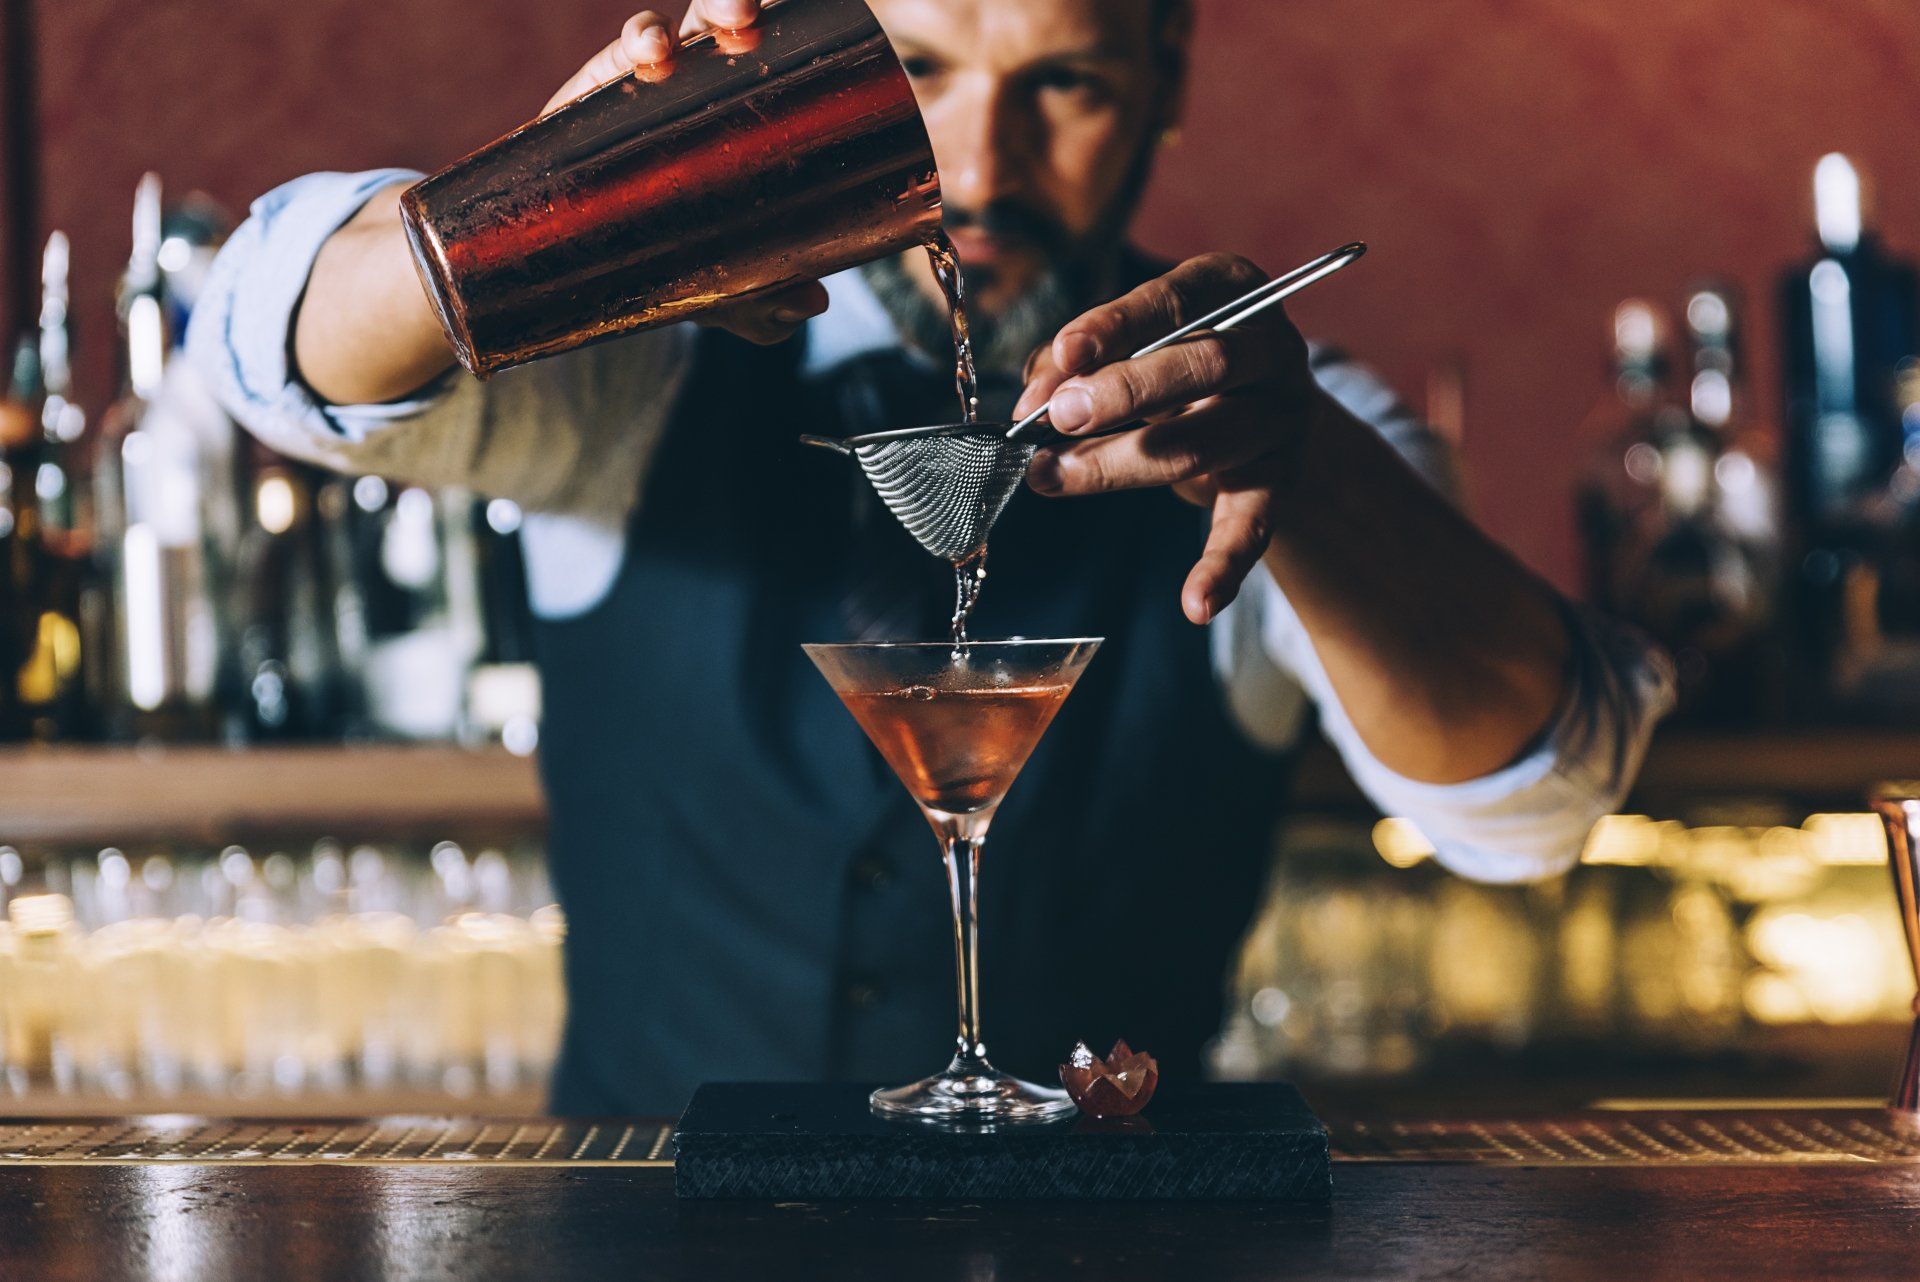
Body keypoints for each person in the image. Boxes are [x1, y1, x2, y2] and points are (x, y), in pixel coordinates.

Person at [190, 0, 1672, 1115]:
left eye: (1068, 84)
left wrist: (1311, 469)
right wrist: (552, 215)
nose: (974, 166)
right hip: (648, 1253)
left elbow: (1534, 807)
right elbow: (265, 355)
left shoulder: (1293, 423)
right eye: (913, 75)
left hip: (1110, 1257)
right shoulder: (627, 380)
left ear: (1167, 81)